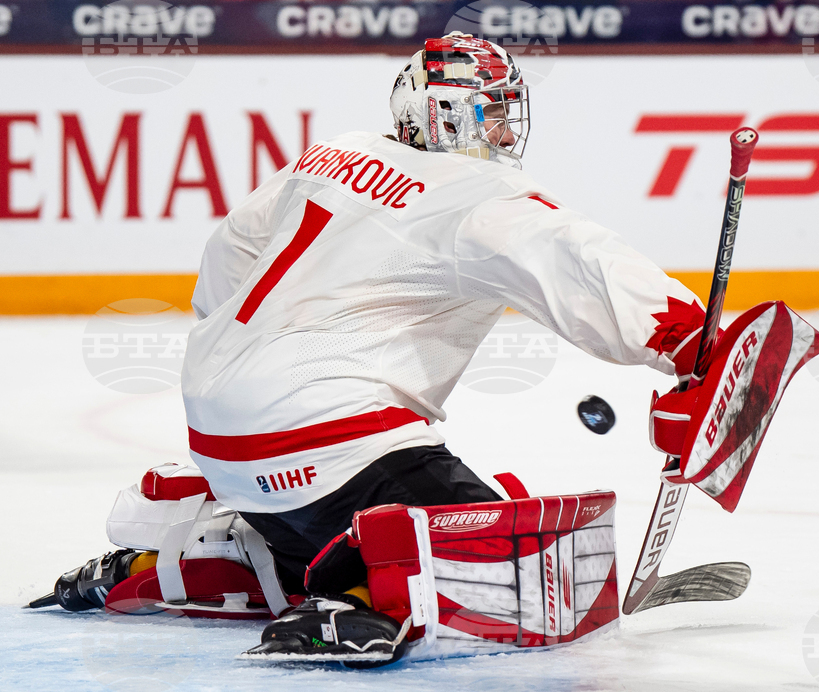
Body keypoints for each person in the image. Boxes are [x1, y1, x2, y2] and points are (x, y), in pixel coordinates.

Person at [40, 32, 720, 664]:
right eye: (489, 113)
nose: (507, 130)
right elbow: (575, 260)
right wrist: (688, 341)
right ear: (442, 116)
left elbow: (228, 253)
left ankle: (204, 561)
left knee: (327, 524)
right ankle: (367, 603)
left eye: (509, 112)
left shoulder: (334, 153)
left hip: (221, 442)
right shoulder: (476, 191)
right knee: (510, 564)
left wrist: (242, 360)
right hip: (332, 445)